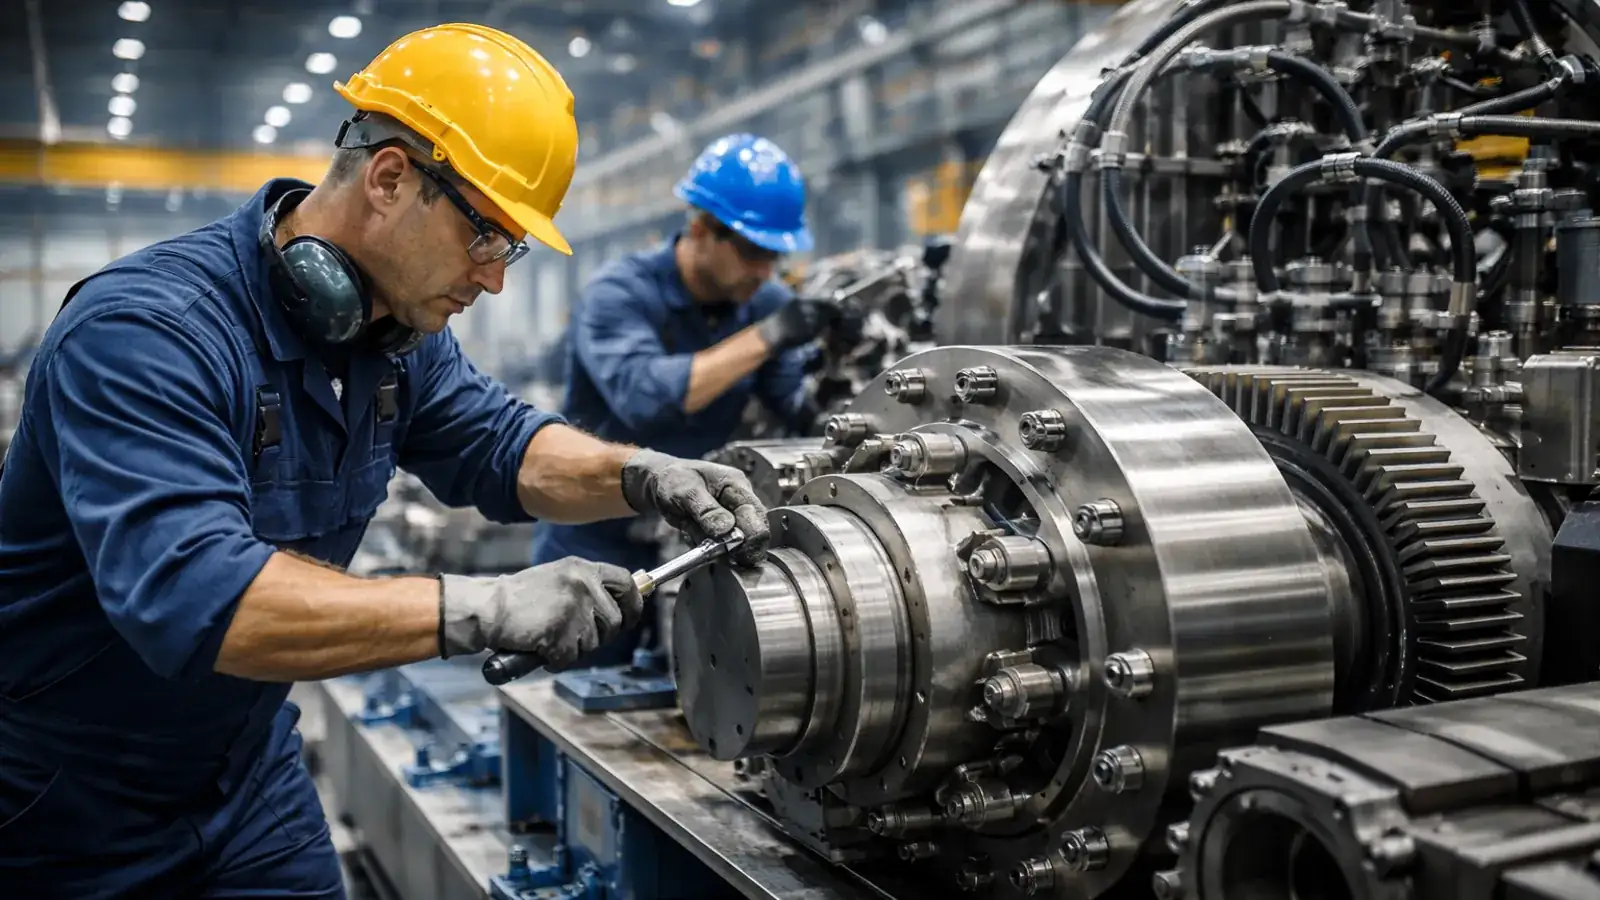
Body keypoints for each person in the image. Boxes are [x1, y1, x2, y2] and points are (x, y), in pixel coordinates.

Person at [0, 24, 770, 899]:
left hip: (247, 779)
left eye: (510, 249)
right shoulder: (146, 335)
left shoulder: (394, 334)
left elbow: (502, 443)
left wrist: (645, 475)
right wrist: (484, 605)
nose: (495, 280)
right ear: (391, 178)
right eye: (488, 236)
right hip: (67, 806)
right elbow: (199, 598)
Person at [530, 134, 836, 656]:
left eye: (775, 256)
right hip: (595, 544)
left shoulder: (765, 301)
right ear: (700, 230)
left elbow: (798, 411)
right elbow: (644, 398)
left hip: (696, 542)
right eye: (752, 252)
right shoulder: (619, 294)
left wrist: (834, 373)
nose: (765, 272)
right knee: (578, 700)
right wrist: (767, 337)